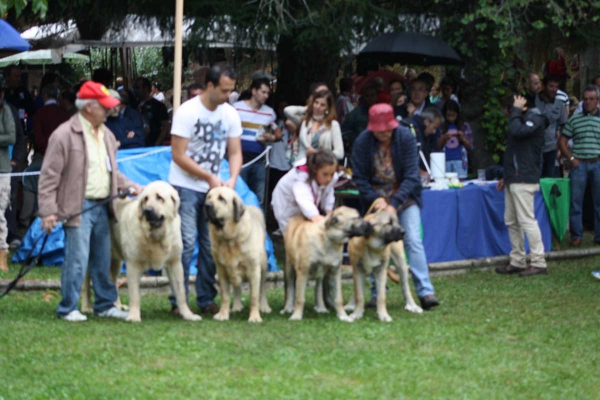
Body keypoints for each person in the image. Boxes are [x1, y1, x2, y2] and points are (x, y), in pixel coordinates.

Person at [38, 81, 142, 322]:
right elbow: (48, 177)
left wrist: (131, 186)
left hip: (104, 204)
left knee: (103, 258)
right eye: (104, 107)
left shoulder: (107, 134)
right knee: (77, 258)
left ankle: (105, 304)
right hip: (78, 206)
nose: (109, 111)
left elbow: (112, 171)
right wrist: (48, 211)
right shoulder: (63, 134)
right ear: (88, 107)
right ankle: (68, 307)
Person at [168, 63, 243, 315]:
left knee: (211, 244)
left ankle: (205, 298)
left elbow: (234, 152)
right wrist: (208, 175)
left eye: (231, 91)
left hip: (215, 189)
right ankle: (178, 299)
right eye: (223, 91)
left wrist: (232, 178)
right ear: (209, 86)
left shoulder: (230, 114)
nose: (227, 96)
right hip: (185, 186)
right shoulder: (187, 112)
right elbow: (178, 155)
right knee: (186, 243)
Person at [351, 103, 439, 310]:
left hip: (405, 196)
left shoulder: (405, 137)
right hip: (375, 197)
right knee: (373, 241)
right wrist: (376, 199)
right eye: (379, 131)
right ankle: (376, 293)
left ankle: (425, 292)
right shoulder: (363, 141)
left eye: (387, 130)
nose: (384, 134)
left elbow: (411, 176)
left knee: (413, 240)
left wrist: (395, 204)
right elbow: (359, 177)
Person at [495, 95, 548, 277]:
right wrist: (506, 176)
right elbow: (514, 150)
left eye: (507, 110)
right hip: (514, 178)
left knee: (527, 220)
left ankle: (539, 262)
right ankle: (517, 261)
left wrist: (515, 110)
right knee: (511, 221)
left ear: (521, 107)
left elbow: (518, 132)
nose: (506, 114)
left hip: (524, 178)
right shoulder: (519, 121)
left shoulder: (535, 119)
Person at [557, 85, 600, 247]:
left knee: (599, 201)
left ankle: (599, 235)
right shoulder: (575, 119)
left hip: (598, 163)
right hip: (579, 164)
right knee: (576, 201)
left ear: (598, 101)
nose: (588, 102)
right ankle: (576, 235)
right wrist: (571, 158)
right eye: (585, 99)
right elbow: (562, 141)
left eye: (591, 99)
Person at [233, 78, 281, 208]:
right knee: (238, 195)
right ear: (254, 91)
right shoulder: (236, 108)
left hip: (259, 160)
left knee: (259, 197)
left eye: (267, 93)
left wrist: (269, 137)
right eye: (263, 92)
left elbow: (278, 134)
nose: (266, 95)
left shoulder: (269, 113)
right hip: (239, 158)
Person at [271, 149, 338, 235]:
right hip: (286, 204)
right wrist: (314, 216)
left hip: (304, 206)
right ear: (315, 170)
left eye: (332, 174)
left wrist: (329, 210)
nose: (329, 178)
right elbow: (304, 198)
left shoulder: (330, 175)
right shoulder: (301, 176)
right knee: (292, 236)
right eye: (325, 174)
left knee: (308, 234)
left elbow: (328, 191)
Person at [285, 89, 343, 161]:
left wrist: (317, 153)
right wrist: (308, 108)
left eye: (322, 105)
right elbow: (287, 111)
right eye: (316, 102)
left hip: (322, 166)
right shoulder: (305, 121)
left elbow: (340, 153)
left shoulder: (333, 124)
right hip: (302, 164)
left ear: (328, 108)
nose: (318, 106)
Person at [536, 75, 567, 178]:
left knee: (550, 181)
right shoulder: (534, 101)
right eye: (551, 86)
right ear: (544, 86)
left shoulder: (559, 104)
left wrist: (560, 145)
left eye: (556, 87)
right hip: (534, 149)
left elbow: (563, 126)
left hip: (551, 149)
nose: (554, 89)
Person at [0, 87, 17, 272]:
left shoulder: (6, 111)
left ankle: (2, 254)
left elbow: (11, 136)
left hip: (1, 169)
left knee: (0, 214)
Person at [401, 107, 443, 178]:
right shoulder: (410, 129)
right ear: (426, 122)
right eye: (434, 128)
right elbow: (405, 157)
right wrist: (421, 172)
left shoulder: (423, 132)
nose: (434, 132)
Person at [436, 100, 473, 179]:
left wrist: (462, 138)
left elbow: (470, 146)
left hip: (460, 160)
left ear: (457, 114)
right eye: (448, 116)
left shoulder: (464, 126)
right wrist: (443, 138)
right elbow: (437, 147)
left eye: (453, 115)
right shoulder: (441, 127)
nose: (451, 118)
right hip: (445, 161)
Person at [33, 85, 70, 161]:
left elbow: (38, 138)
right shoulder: (64, 113)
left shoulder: (39, 113)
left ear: (45, 95)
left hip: (43, 156)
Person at [341, 83, 379, 152]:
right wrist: (356, 139)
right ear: (363, 98)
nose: (370, 98)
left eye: (372, 95)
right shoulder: (355, 114)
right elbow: (344, 131)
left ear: (377, 97)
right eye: (367, 96)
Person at [133, 77, 170, 146]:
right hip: (136, 146)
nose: (135, 90)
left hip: (152, 145)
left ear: (146, 88)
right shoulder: (134, 105)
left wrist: (156, 144)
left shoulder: (158, 106)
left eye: (137, 87)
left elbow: (165, 127)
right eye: (134, 88)